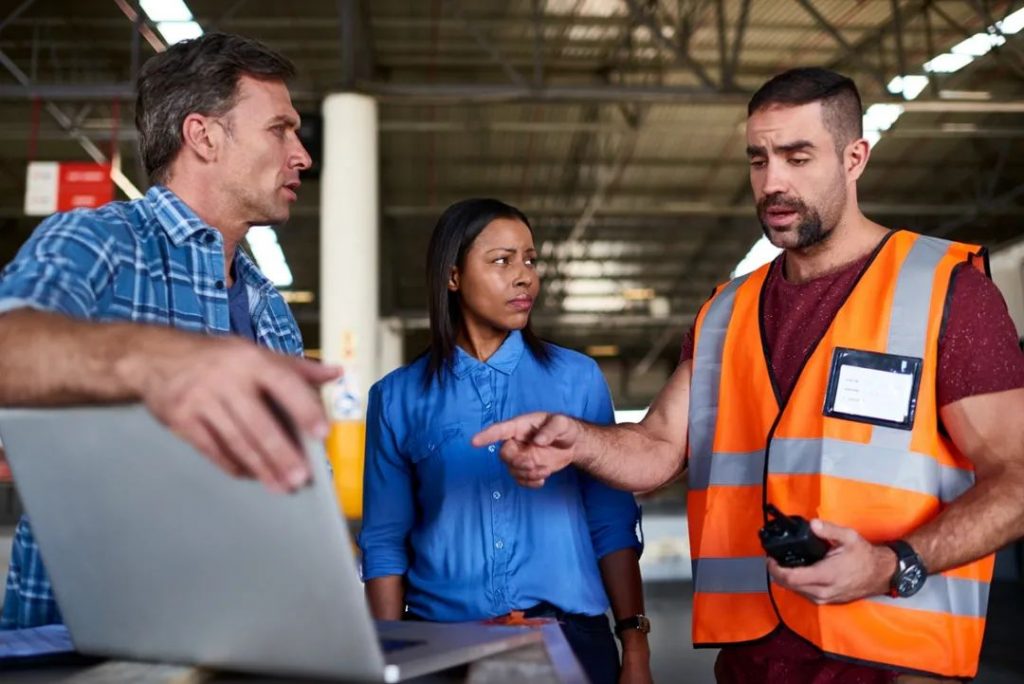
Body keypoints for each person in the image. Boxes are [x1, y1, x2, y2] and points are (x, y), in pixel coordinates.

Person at [473, 68, 1024, 683]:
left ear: (854, 157)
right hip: (752, 660)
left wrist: (895, 563)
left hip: (892, 660)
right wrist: (579, 441)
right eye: (758, 160)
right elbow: (658, 447)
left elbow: (1017, 477)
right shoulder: (724, 313)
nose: (773, 182)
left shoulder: (945, 290)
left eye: (796, 156)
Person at [0, 32, 338, 629]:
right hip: (89, 649)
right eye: (279, 129)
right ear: (203, 136)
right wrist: (159, 363)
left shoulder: (269, 307)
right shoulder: (97, 241)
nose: (302, 154)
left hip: (244, 634)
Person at [358, 199, 651, 684]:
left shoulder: (576, 379)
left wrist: (634, 644)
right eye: (502, 261)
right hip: (442, 648)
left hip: (569, 642)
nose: (524, 277)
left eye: (530, 260)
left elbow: (611, 521)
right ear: (453, 277)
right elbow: (385, 543)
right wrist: (391, 660)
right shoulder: (397, 397)